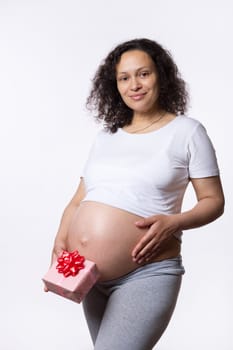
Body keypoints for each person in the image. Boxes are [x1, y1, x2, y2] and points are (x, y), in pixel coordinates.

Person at [45, 38, 225, 349]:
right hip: (90, 275)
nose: (134, 85)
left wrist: (174, 222)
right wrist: (61, 241)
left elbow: (214, 201)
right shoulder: (107, 137)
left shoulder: (187, 132)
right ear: (114, 85)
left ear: (161, 76)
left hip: (146, 273)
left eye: (143, 74)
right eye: (124, 78)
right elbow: (79, 200)